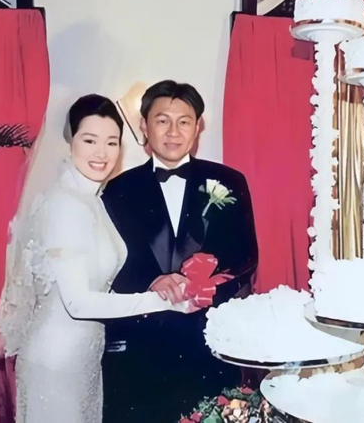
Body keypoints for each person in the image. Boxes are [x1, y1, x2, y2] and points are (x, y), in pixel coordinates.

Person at [0, 94, 198, 423]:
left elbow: (101, 282)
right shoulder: (65, 206)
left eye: (111, 142)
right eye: (90, 140)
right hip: (56, 362)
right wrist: (164, 303)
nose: (102, 153)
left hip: (84, 358)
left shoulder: (93, 200)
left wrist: (159, 285)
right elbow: (78, 303)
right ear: (71, 141)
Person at [101, 80, 258, 422]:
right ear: (144, 126)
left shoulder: (229, 180)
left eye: (184, 121)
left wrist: (207, 286)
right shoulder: (117, 189)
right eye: (162, 120)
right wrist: (152, 281)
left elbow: (246, 256)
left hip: (209, 341)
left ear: (197, 127)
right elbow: (110, 261)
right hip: (141, 345)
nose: (173, 132)